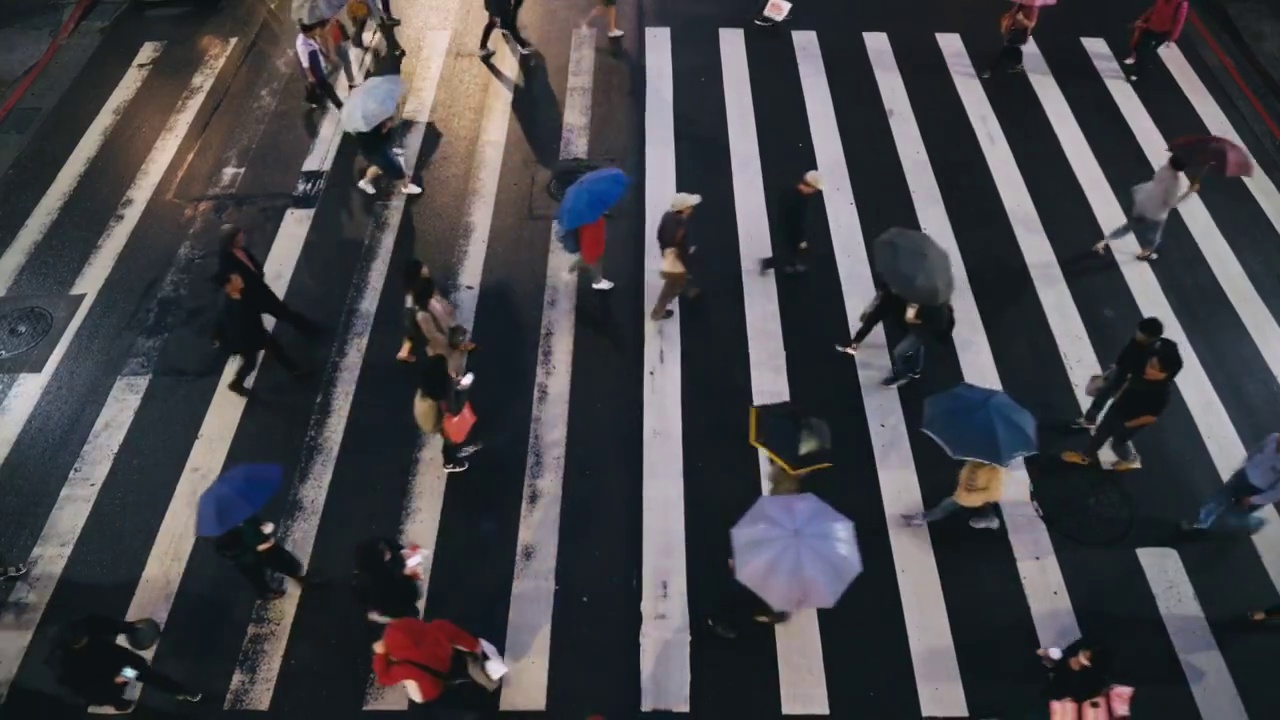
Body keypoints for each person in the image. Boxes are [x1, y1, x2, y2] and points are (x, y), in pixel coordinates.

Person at [1061, 339, 1183, 470]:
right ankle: (1087, 455)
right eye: (1150, 363)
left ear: (1166, 374)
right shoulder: (1144, 372)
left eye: (1153, 368)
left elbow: (1151, 417)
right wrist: (1118, 395)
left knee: (1117, 444)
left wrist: (1127, 425)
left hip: (1129, 422)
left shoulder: (1161, 394)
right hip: (1117, 409)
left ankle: (1130, 459)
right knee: (1100, 433)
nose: (1148, 368)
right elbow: (1130, 380)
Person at [54, 616, 202, 710]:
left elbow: (103, 624)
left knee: (143, 672)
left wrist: (128, 628)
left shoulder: (82, 628)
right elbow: (88, 689)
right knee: (111, 694)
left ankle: (179, 690)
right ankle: (119, 703)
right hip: (104, 678)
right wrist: (114, 680)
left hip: (115, 660)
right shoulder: (68, 665)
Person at [212, 272, 306, 397]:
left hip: (254, 335)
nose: (239, 278)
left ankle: (295, 370)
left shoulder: (238, 296)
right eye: (235, 279)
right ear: (228, 287)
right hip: (247, 341)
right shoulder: (232, 307)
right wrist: (260, 339)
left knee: (271, 351)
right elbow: (239, 329)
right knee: (253, 361)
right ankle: (236, 383)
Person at [215, 225, 319, 336]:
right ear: (232, 241)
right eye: (239, 238)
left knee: (281, 313)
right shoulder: (228, 263)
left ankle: (308, 330)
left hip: (258, 291)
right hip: (253, 296)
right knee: (283, 313)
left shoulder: (241, 249)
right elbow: (234, 284)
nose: (243, 239)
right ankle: (311, 330)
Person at [1093, 154, 1198, 261]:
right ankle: (1146, 253)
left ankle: (1105, 241)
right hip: (1156, 212)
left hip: (1143, 202)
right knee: (1153, 236)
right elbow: (1171, 203)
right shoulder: (1175, 183)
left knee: (1128, 226)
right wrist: (1189, 192)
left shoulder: (1163, 169)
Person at [1074, 317, 1164, 430]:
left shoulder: (1150, 354)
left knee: (1110, 402)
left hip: (1127, 381)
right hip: (1120, 373)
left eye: (1141, 332)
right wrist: (1116, 366)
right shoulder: (1138, 341)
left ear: (1150, 337)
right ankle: (1091, 420)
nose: (1137, 333)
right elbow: (1126, 353)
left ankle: (1106, 427)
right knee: (1103, 396)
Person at [1182, 432, 1280, 535]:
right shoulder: (1273, 438)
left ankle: (1256, 523)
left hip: (1256, 491)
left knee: (1232, 518)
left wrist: (1253, 500)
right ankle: (1200, 522)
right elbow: (1257, 451)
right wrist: (1243, 466)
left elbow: (1277, 493)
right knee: (1218, 499)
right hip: (1243, 476)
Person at [372, 617, 484, 705]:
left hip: (430, 691)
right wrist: (476, 648)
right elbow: (461, 638)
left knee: (416, 693)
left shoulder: (404, 668)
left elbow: (384, 677)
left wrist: (380, 655)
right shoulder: (438, 627)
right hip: (444, 662)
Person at [413, 352, 481, 473]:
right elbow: (455, 409)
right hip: (432, 421)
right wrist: (463, 387)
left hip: (422, 415)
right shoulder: (440, 395)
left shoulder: (427, 384)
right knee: (450, 436)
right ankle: (450, 461)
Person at [213, 516, 306, 601]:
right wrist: (264, 544)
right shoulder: (227, 537)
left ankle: (273, 590)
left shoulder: (242, 522)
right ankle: (274, 591)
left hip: (252, 556)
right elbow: (247, 548)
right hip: (251, 557)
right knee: (264, 576)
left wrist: (263, 527)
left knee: (261, 574)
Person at [902, 460, 1005, 530]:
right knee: (944, 507)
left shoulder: (991, 470)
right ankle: (991, 518)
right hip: (965, 495)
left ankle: (921, 518)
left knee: (944, 508)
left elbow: (993, 492)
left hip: (969, 497)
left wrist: (972, 492)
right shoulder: (976, 465)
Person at [760, 170, 823, 275]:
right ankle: (768, 263)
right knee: (787, 252)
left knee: (792, 250)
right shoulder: (798, 200)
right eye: (814, 189)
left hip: (786, 228)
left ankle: (790, 264)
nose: (814, 191)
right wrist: (801, 240)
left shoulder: (791, 191)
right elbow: (796, 222)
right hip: (790, 231)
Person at [651, 192, 701, 321]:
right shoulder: (676, 226)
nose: (691, 209)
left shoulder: (669, 216)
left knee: (678, 279)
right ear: (683, 208)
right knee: (670, 286)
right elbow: (670, 241)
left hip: (675, 255)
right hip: (675, 259)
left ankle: (684, 286)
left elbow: (660, 236)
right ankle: (658, 312)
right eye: (689, 206)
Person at [880, 302, 954, 388]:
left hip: (922, 332)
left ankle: (902, 375)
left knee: (899, 352)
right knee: (918, 347)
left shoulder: (935, 311)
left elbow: (916, 320)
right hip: (923, 331)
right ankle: (916, 368)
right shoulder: (941, 303)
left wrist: (912, 317)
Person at [413, 275, 472, 375]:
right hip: (454, 334)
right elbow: (450, 309)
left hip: (443, 346)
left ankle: (453, 379)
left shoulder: (421, 315)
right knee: (458, 361)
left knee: (449, 368)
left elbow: (433, 335)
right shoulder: (436, 300)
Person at [353, 538, 422, 623]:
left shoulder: (362, 583)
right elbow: (413, 595)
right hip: (400, 615)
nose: (388, 554)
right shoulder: (392, 581)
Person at [1124, 0, 1188, 82]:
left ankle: (1139, 72)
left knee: (1145, 50)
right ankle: (1139, 67)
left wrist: (1173, 37)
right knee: (1141, 46)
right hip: (1151, 25)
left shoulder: (1181, 3)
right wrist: (1143, 18)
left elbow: (1179, 21)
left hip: (1162, 31)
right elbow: (1154, 8)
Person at [356, 118, 423, 196]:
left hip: (373, 149)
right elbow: (380, 138)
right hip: (377, 150)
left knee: (379, 166)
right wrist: (385, 128)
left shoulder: (361, 125)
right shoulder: (373, 128)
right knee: (399, 165)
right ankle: (406, 186)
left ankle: (365, 182)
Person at [1037, 639, 1112, 703]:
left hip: (1055, 700)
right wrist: (1044, 653)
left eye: (1087, 656)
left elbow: (1075, 696)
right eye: (1084, 651)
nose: (1083, 654)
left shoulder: (1081, 681)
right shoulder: (1064, 654)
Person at [980, 2, 1039, 78]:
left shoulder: (1033, 9)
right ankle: (1018, 64)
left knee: (1005, 51)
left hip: (1020, 33)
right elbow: (1012, 14)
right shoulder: (1019, 4)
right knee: (1013, 49)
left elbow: (1031, 24)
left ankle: (990, 69)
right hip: (1012, 29)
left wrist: (1022, 19)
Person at [297, 22, 343, 110]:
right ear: (308, 32)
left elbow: (318, 48)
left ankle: (312, 98)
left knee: (321, 88)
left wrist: (327, 59)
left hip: (318, 65)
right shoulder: (302, 45)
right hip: (314, 71)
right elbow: (305, 64)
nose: (315, 32)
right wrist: (310, 77)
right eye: (314, 31)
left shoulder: (311, 37)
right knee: (328, 88)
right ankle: (339, 106)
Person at [398, 259, 430, 362]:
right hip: (413, 313)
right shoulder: (418, 287)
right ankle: (403, 353)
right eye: (423, 268)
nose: (426, 268)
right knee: (411, 334)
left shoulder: (410, 286)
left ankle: (404, 352)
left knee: (410, 334)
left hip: (409, 312)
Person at [574, 216, 614, 290]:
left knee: (593, 253)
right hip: (591, 229)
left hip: (591, 226)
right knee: (594, 255)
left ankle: (596, 278)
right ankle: (597, 281)